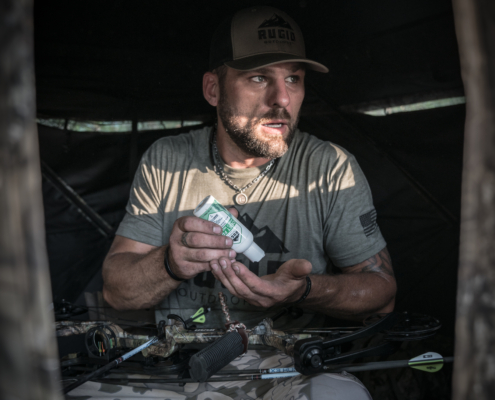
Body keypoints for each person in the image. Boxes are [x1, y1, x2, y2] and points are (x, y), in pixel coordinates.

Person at [101, 6, 396, 399]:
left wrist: (304, 290)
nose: (283, 98)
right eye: (259, 77)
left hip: (283, 369)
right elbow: (116, 292)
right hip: (171, 364)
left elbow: (382, 296)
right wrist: (170, 263)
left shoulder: (328, 168)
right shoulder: (167, 160)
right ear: (213, 89)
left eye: (294, 78)